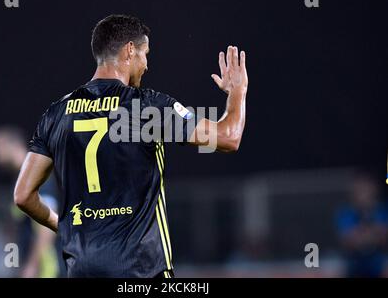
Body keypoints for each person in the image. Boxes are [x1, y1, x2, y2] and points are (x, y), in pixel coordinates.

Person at [14, 14, 248, 278]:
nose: (146, 64)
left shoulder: (56, 114)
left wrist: (62, 224)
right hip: (140, 271)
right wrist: (238, 92)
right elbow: (228, 137)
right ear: (129, 50)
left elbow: (23, 195)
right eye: (145, 53)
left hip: (82, 269)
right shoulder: (145, 108)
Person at [0, 126, 62, 277]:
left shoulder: (37, 173)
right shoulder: (18, 179)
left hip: (48, 269)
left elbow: (48, 224)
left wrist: (32, 266)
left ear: (13, 144)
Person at [336, 172, 388, 277]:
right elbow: (348, 242)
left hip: (378, 269)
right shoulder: (345, 212)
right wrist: (373, 234)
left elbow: (384, 238)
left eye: (366, 190)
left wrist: (363, 235)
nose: (363, 194)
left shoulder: (382, 211)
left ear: (374, 190)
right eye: (360, 190)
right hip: (354, 269)